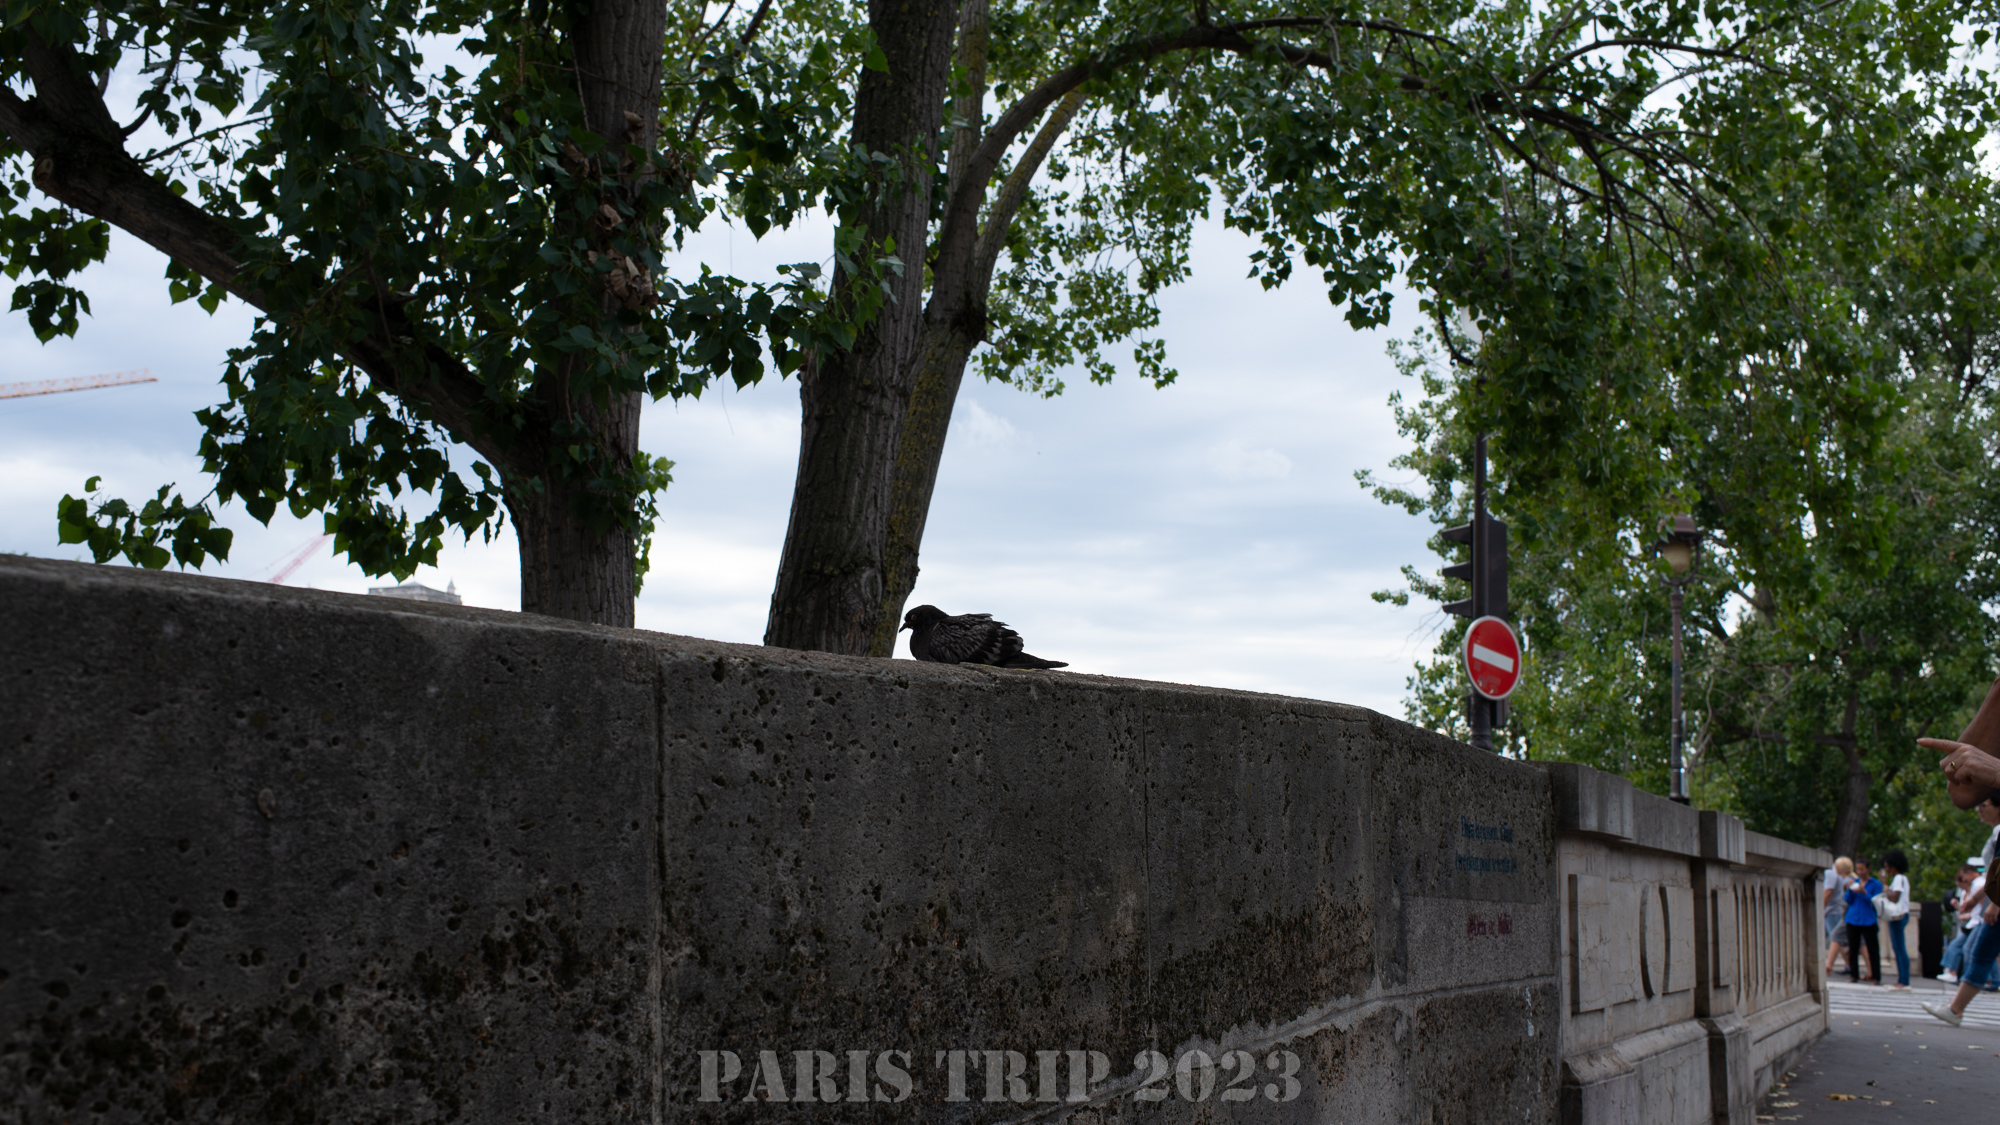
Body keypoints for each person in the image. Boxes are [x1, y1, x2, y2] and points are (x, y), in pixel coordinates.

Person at [1845, 859, 1884, 983]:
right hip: (1853, 918)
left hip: (1868, 919)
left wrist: (1863, 892)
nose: (1860, 872)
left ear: (1868, 869)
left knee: (1873, 949)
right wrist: (1850, 889)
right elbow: (1847, 900)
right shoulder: (1854, 882)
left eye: (1862, 869)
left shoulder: (1876, 884)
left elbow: (1875, 901)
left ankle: (1876, 977)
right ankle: (1853, 975)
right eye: (1858, 869)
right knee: (1853, 948)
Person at [1880, 850, 1913, 989]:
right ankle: (1902, 979)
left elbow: (1895, 897)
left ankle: (1903, 981)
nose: (1886, 869)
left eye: (1887, 866)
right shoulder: (1901, 878)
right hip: (1901, 915)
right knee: (1898, 948)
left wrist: (1885, 885)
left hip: (1898, 917)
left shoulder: (1898, 878)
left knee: (1899, 948)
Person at [1942, 863, 1978, 982]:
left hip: (1975, 923)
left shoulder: (1978, 886)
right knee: (1965, 948)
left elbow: (1978, 911)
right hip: (1970, 925)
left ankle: (1965, 977)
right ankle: (1957, 974)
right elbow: (1965, 910)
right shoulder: (1966, 893)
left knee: (1966, 948)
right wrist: (1958, 907)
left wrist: (1965, 915)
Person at [1823, 857, 1853, 979]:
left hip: (1832, 911)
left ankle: (1831, 966)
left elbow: (1828, 892)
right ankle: (1849, 965)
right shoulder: (1843, 878)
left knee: (1837, 939)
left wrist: (1820, 908)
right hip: (1834, 911)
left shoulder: (1832, 874)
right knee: (1835, 939)